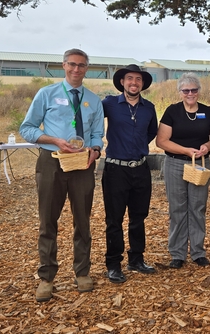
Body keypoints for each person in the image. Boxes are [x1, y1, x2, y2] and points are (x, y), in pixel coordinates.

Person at [19, 49, 104, 302]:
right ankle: (46, 277)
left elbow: (98, 133)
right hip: (52, 162)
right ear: (63, 66)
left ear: (87, 68)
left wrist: (96, 150)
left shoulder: (93, 100)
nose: (76, 70)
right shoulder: (47, 94)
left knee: (83, 220)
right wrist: (54, 139)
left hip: (82, 163)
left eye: (82, 65)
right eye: (72, 65)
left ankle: (82, 272)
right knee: (48, 220)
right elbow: (27, 128)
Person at [101, 64, 158, 283]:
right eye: (130, 79)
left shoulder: (148, 107)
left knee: (139, 217)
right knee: (114, 219)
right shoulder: (109, 104)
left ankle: (136, 259)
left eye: (138, 80)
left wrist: (137, 146)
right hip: (116, 169)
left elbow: (151, 131)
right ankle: (113, 264)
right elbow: (93, 123)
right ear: (122, 82)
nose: (134, 83)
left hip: (141, 169)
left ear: (142, 84)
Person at [156, 73, 210, 268]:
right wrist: (185, 150)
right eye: (186, 90)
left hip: (200, 164)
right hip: (175, 163)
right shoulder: (172, 112)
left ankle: (198, 252)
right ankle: (177, 253)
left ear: (199, 91)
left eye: (194, 90)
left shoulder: (208, 112)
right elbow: (161, 141)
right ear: (180, 92)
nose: (190, 93)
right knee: (177, 208)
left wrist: (207, 147)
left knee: (198, 207)